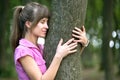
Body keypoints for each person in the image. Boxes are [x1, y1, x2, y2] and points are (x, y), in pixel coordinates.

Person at [10, 2, 89, 80]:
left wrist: (83, 44)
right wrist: (58, 56)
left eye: (47, 22)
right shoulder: (23, 51)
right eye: (42, 22)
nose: (47, 26)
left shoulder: (41, 47)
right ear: (28, 24)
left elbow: (68, 60)